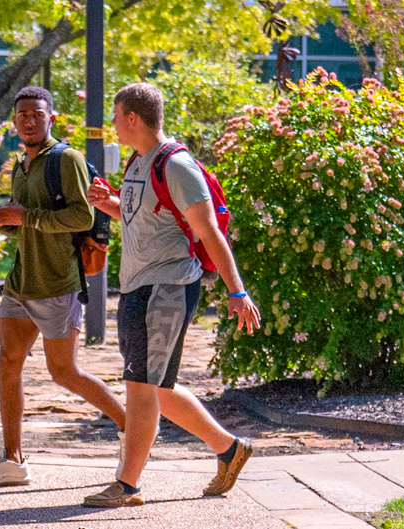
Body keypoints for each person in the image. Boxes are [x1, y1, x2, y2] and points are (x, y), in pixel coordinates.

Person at [83, 82, 262, 507]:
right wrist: (108, 203)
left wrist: (237, 291)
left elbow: (209, 232)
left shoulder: (177, 165)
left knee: (140, 386)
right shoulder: (137, 163)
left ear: (133, 118)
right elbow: (142, 220)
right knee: (158, 388)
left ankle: (128, 485)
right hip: (137, 289)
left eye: (115, 116)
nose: (112, 124)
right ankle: (230, 448)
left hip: (167, 289)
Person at [0, 86, 127, 487]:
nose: (29, 120)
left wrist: (27, 219)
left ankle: (132, 426)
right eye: (22, 115)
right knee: (8, 362)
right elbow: (27, 219)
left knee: (64, 372)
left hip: (57, 282)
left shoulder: (65, 158)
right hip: (21, 282)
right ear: (15, 121)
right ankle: (12, 459)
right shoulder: (23, 164)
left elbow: (81, 217)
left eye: (37, 114)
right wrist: (7, 222)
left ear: (50, 118)